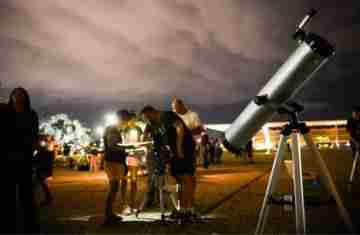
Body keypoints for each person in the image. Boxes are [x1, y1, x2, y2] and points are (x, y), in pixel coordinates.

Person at [141, 105, 196, 220]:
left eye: (147, 117)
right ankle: (183, 209)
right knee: (179, 180)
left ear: (152, 113)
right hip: (174, 152)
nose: (147, 120)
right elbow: (159, 140)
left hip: (184, 149)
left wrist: (179, 147)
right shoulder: (156, 124)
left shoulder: (166, 116)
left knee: (186, 178)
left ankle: (188, 210)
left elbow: (179, 127)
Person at [8, 87, 40, 233]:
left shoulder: (31, 114)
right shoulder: (6, 113)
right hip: (7, 159)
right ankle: (9, 225)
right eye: (15, 94)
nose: (18, 97)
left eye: (21, 95)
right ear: (12, 97)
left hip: (24, 158)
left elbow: (34, 135)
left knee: (26, 195)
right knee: (7, 195)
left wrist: (31, 149)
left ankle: (29, 225)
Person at [102, 110, 129, 225]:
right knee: (113, 188)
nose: (126, 124)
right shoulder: (112, 130)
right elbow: (112, 146)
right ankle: (108, 215)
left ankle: (109, 214)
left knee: (113, 188)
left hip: (112, 161)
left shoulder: (112, 129)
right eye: (125, 121)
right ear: (122, 119)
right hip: (113, 161)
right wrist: (128, 148)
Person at [121, 112, 145, 214]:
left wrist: (140, 148)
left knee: (134, 181)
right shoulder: (123, 129)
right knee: (124, 181)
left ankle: (132, 204)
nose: (132, 122)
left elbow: (141, 142)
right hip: (124, 156)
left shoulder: (139, 129)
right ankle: (125, 205)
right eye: (131, 120)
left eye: (134, 120)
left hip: (134, 156)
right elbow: (122, 142)